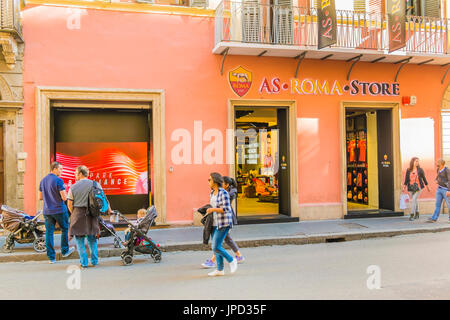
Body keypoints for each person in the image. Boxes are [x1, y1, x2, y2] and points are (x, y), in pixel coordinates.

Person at [202, 176, 244, 268]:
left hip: (226, 219)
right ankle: (237, 256)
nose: (221, 185)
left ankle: (215, 261)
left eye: (222, 183)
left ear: (227, 185)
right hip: (218, 219)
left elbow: (224, 207)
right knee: (225, 239)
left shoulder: (229, 192)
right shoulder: (216, 192)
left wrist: (213, 208)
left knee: (218, 243)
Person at [39, 161, 75, 263]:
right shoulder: (58, 180)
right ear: (54, 168)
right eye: (60, 169)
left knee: (49, 232)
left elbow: (40, 197)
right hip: (59, 209)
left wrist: (49, 196)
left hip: (47, 210)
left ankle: (51, 258)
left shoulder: (43, 180)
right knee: (64, 229)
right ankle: (64, 251)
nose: (61, 171)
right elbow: (64, 197)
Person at [67, 165, 102, 268]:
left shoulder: (73, 187)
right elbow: (102, 199)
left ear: (80, 174)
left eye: (76, 174)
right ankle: (95, 261)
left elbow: (69, 204)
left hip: (78, 214)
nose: (75, 176)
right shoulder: (96, 184)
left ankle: (84, 263)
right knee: (92, 239)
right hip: (92, 215)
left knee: (79, 240)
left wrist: (75, 213)